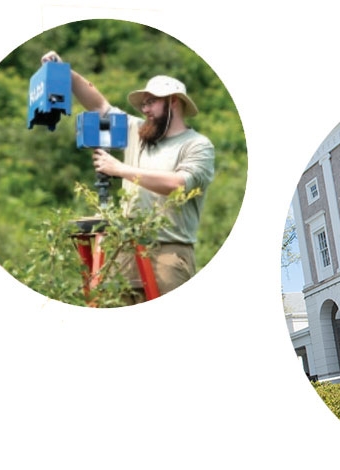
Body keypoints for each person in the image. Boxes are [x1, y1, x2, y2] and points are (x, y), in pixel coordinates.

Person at [39, 51, 215, 303]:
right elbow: (99, 105)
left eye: (151, 102)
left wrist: (120, 170)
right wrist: (65, 72)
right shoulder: (138, 132)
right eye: (143, 104)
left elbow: (177, 184)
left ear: (173, 102)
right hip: (125, 248)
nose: (145, 109)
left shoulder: (197, 145)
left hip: (168, 254)